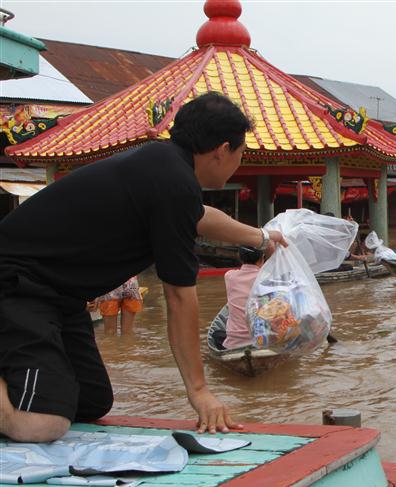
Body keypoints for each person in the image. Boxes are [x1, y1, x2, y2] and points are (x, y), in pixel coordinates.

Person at [0, 92, 287, 442]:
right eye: (241, 154)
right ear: (222, 149)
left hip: (62, 297)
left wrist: (261, 237)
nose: (239, 163)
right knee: (42, 424)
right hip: (17, 286)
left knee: (91, 401)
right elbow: (180, 298)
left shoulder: (164, 165)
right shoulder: (173, 183)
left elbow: (198, 217)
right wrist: (199, 391)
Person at [223, 246, 264, 350]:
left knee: (217, 335)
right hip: (262, 339)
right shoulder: (265, 278)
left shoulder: (229, 276)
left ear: (239, 257)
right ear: (262, 258)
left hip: (234, 342)